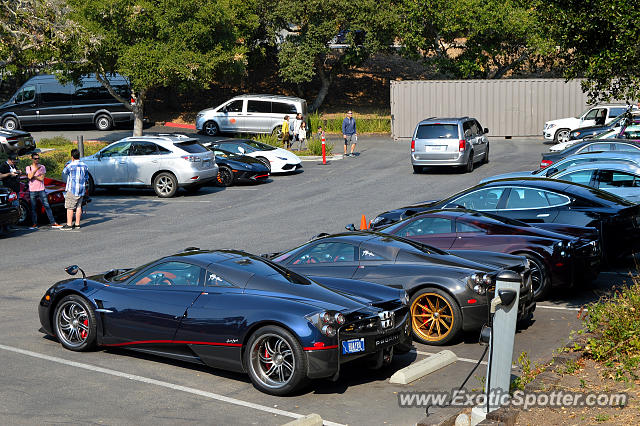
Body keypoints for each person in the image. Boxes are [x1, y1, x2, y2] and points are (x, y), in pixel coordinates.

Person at [26, 153, 60, 228]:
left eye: (38, 158)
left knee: (47, 205)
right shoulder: (29, 168)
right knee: (33, 207)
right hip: (32, 190)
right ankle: (34, 223)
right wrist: (35, 171)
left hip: (41, 189)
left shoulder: (42, 167)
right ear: (32, 159)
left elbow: (41, 178)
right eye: (35, 159)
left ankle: (53, 222)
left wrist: (34, 176)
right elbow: (29, 177)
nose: (37, 160)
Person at [60, 148, 88, 231]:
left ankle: (69, 224)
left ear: (72, 156)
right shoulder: (85, 165)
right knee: (79, 206)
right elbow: (86, 177)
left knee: (70, 207)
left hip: (72, 189)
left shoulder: (70, 165)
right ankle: (77, 224)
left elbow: (65, 171)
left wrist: (68, 164)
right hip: (81, 189)